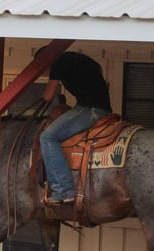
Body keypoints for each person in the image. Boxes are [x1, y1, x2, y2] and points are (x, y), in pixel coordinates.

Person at [38, 49, 112, 204]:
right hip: (99, 108)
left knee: (48, 136)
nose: (42, 70)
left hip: (89, 110)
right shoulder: (74, 59)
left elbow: (48, 95)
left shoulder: (58, 63)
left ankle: (63, 190)